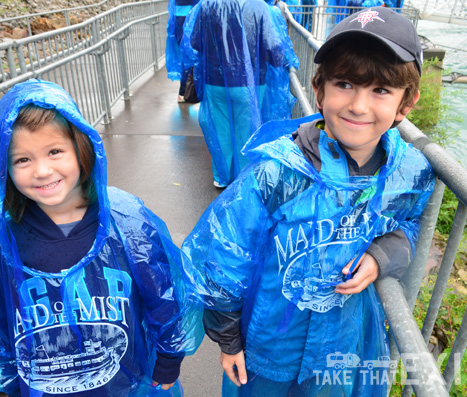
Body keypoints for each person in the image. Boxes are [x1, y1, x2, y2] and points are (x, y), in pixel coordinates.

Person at [181, 7, 434, 396]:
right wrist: (228, 339)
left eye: (380, 90)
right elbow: (225, 256)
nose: (359, 106)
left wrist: (382, 256)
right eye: (345, 84)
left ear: (406, 103)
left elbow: (410, 224)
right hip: (269, 345)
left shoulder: (407, 173)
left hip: (341, 347)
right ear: (319, 90)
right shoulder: (278, 173)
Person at [0, 80, 203, 396]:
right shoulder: (7, 245)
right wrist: (10, 381)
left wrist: (169, 358)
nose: (42, 170)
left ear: (81, 148)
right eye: (23, 160)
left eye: (55, 151)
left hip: (128, 382)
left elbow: (165, 296)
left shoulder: (127, 222)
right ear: (4, 170)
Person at [181, 0, 298, 188]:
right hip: (250, 84)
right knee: (247, 131)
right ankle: (243, 181)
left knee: (220, 130)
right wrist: (284, 63)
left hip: (214, 80)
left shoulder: (206, 5)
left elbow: (194, 41)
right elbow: (273, 47)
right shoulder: (260, 6)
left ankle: (222, 177)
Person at [166, 0, 200, 102]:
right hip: (188, 24)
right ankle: (185, 92)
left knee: (186, 60)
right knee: (189, 60)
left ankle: (184, 92)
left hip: (178, 25)